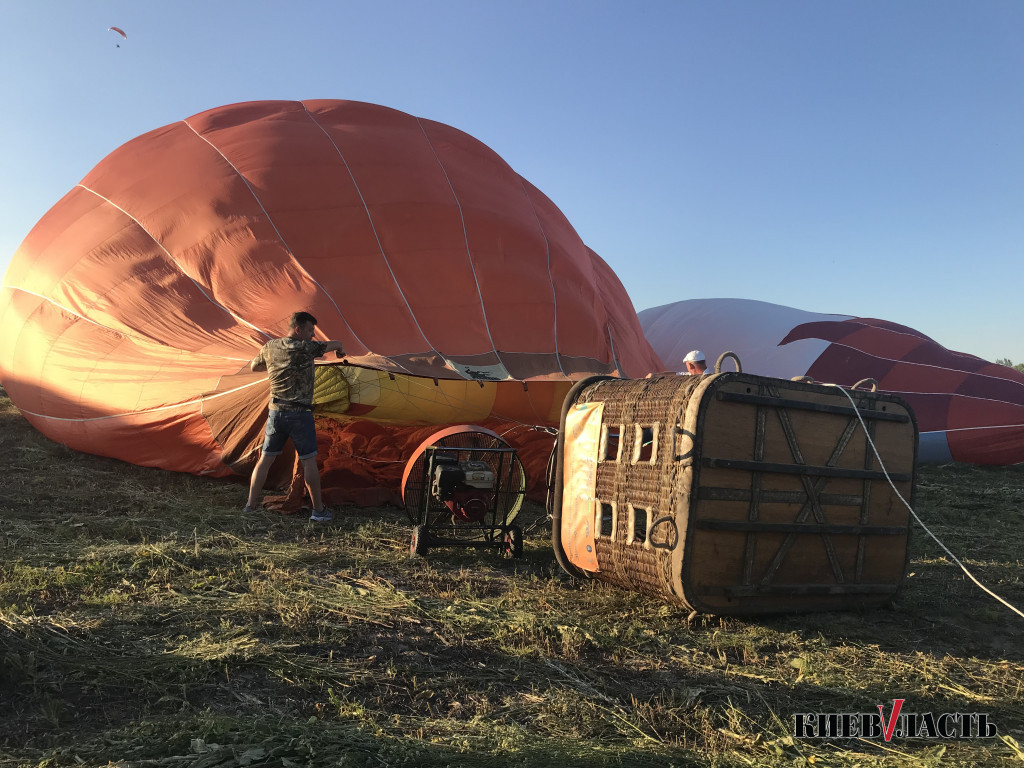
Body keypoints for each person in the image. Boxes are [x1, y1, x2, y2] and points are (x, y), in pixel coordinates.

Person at [243, 311, 345, 522]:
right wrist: (341, 348)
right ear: (298, 330)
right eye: (309, 331)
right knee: (309, 461)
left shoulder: (270, 347)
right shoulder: (304, 348)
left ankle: (250, 506)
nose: (311, 336)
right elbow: (333, 344)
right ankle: (318, 510)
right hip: (299, 414)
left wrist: (276, 366)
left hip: (276, 412)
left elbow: (255, 367)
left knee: (265, 460)